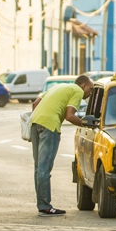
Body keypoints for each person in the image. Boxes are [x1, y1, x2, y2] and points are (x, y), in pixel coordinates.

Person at [29, 70, 94, 214]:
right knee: (44, 168)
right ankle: (45, 206)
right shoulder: (77, 91)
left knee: (38, 168)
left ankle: (42, 204)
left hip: (35, 123)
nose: (90, 93)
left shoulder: (58, 87)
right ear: (83, 85)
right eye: (90, 89)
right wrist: (87, 124)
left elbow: (35, 104)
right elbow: (70, 116)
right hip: (49, 126)